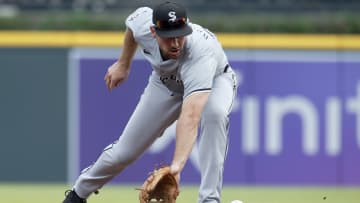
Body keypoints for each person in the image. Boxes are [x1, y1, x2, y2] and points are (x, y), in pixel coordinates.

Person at [62, 1, 237, 203]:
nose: (175, 43)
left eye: (180, 34)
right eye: (169, 36)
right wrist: (123, 63)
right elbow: (131, 28)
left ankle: (209, 199)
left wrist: (176, 167)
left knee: (214, 114)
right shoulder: (144, 22)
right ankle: (78, 193)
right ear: (154, 31)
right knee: (125, 151)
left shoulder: (199, 51)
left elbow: (190, 116)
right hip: (166, 84)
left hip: (215, 81)